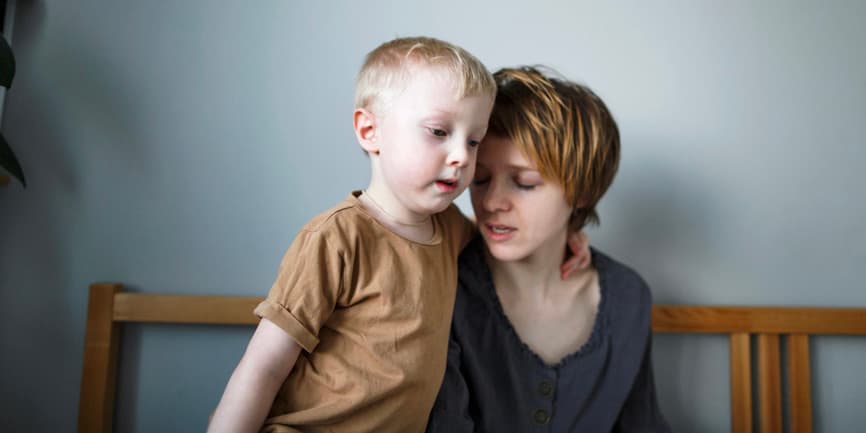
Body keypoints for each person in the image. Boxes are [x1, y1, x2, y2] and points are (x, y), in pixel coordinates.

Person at [207, 38, 588, 433]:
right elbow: (264, 366)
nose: (462, 156)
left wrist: (564, 238)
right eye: (439, 131)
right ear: (370, 131)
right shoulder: (336, 237)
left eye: (473, 140)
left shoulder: (451, 228)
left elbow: (503, 242)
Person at [426, 66, 671, 433]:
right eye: (480, 179)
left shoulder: (626, 297)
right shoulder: (446, 288)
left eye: (524, 183)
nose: (492, 201)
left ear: (581, 192)